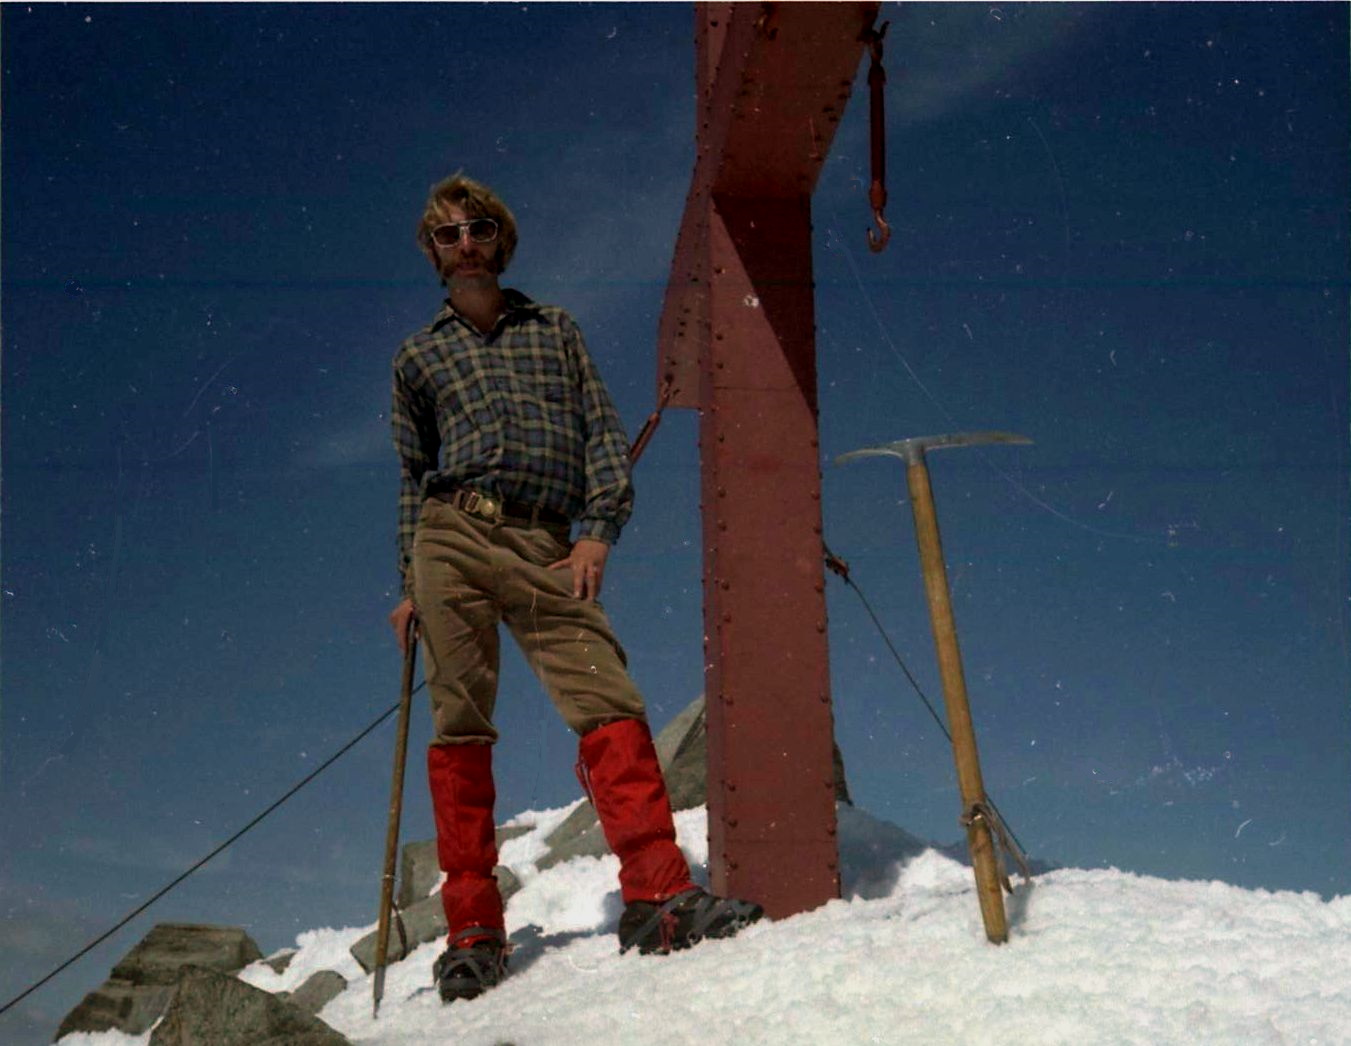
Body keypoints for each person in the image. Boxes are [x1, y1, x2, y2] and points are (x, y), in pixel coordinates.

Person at [388, 173, 763, 1004]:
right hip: (447, 536)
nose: (465, 244)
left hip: (544, 539)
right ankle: (473, 933)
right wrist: (407, 581)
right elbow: (412, 477)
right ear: (432, 252)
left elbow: (600, 430)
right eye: (446, 235)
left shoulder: (553, 329)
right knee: (460, 722)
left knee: (607, 696)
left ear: (502, 236)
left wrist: (598, 529)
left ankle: (659, 899)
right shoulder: (418, 357)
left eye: (478, 227)